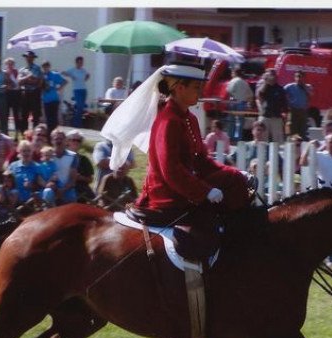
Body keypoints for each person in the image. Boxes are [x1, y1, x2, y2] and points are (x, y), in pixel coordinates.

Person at [101, 62, 251, 222]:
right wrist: (204, 191)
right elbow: (171, 170)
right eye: (196, 87)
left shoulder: (190, 118)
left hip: (184, 187)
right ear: (179, 88)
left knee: (235, 179)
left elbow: (201, 161)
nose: (201, 91)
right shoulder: (168, 120)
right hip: (167, 194)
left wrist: (235, 172)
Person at [5, 140, 44, 205]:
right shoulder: (13, 166)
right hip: (15, 203)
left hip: (32, 202)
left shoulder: (37, 167)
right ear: (19, 152)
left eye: (28, 150)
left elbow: (42, 185)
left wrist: (32, 186)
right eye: (24, 151)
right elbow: (6, 182)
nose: (26, 153)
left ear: (32, 152)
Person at [46, 129, 78, 205]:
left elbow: (73, 179)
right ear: (52, 141)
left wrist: (63, 190)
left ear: (65, 141)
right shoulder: (47, 155)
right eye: (56, 139)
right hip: (51, 188)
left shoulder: (73, 156)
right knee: (47, 193)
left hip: (67, 189)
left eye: (61, 139)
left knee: (71, 197)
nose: (59, 141)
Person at [256, 68, 288, 143]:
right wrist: (266, 82)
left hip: (276, 117)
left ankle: (277, 154)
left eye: (273, 75)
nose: (272, 77)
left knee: (278, 139)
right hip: (265, 115)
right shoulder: (263, 87)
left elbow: (284, 102)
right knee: (263, 138)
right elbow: (259, 95)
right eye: (270, 75)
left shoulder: (280, 89)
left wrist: (285, 113)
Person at [225, 66, 254, 142]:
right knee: (241, 121)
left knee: (231, 121)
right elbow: (250, 94)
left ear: (235, 73)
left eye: (232, 72)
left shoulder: (233, 81)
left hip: (233, 102)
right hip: (242, 103)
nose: (231, 74)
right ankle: (239, 138)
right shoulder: (245, 82)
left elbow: (229, 91)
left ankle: (230, 137)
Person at [66, 130, 95, 202]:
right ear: (68, 141)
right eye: (73, 140)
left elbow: (90, 179)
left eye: (78, 140)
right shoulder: (62, 156)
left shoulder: (84, 159)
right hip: (65, 188)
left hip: (81, 189)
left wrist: (80, 177)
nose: (76, 142)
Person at [18, 50, 43, 131]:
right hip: (25, 94)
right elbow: (19, 82)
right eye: (27, 57)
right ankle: (24, 133)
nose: (29, 59)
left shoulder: (37, 68)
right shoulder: (22, 69)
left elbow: (36, 81)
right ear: (25, 58)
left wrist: (26, 80)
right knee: (23, 115)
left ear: (33, 58)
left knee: (36, 116)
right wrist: (28, 77)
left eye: (31, 57)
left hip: (35, 93)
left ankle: (36, 133)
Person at [283, 70, 312, 140]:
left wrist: (304, 87)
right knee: (292, 130)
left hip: (303, 111)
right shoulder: (289, 87)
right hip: (293, 110)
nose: (298, 78)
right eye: (297, 76)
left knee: (303, 130)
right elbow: (282, 95)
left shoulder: (307, 87)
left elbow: (310, 95)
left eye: (300, 77)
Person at [41, 61, 68, 136]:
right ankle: (49, 134)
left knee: (54, 118)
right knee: (48, 119)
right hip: (46, 100)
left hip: (54, 99)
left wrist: (59, 88)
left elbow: (65, 81)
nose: (45, 68)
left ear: (49, 67)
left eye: (46, 67)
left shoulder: (54, 75)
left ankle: (54, 133)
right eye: (43, 67)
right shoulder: (42, 76)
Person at [62, 56, 90, 128]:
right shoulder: (73, 70)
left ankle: (79, 123)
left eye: (82, 62)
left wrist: (87, 77)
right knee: (79, 106)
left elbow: (86, 76)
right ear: (76, 62)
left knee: (82, 107)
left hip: (83, 90)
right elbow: (63, 73)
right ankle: (76, 124)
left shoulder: (83, 70)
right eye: (80, 62)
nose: (81, 63)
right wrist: (71, 75)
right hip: (77, 90)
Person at [4, 57, 23, 137]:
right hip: (7, 94)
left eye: (11, 64)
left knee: (16, 115)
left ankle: (16, 134)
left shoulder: (17, 72)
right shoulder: (4, 73)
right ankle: (6, 133)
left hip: (16, 94)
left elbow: (17, 84)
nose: (10, 65)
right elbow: (6, 85)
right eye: (8, 64)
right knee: (6, 114)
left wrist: (12, 85)